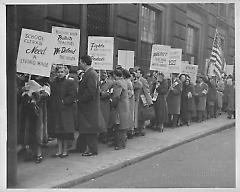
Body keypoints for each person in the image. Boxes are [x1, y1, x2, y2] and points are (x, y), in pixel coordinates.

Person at [71, 55, 104, 156]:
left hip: (89, 107)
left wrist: (80, 99)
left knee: (90, 129)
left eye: (81, 62)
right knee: (84, 128)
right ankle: (80, 147)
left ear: (84, 63)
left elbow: (91, 91)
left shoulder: (91, 74)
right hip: (87, 106)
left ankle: (92, 150)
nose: (80, 64)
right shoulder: (89, 73)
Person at [18, 75, 50, 163]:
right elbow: (19, 96)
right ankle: (32, 153)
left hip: (38, 111)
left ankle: (39, 154)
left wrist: (35, 94)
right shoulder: (27, 82)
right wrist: (23, 90)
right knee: (29, 131)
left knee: (37, 132)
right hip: (27, 110)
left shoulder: (45, 84)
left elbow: (46, 95)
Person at [48, 65, 77, 158]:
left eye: (61, 72)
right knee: (58, 131)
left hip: (65, 110)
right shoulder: (54, 82)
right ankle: (59, 150)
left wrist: (65, 101)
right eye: (58, 72)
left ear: (65, 73)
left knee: (65, 131)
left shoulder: (69, 82)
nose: (60, 74)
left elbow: (72, 95)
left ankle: (65, 150)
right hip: (56, 110)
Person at [111, 69, 130, 150]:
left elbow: (116, 96)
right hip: (125, 105)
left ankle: (119, 144)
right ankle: (123, 143)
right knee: (123, 126)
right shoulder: (124, 81)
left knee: (119, 125)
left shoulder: (117, 82)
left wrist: (112, 104)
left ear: (115, 75)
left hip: (120, 106)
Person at [134, 68, 153, 136]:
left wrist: (149, 101)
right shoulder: (135, 80)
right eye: (136, 72)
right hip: (136, 99)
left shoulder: (143, 80)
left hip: (142, 100)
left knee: (141, 115)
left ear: (141, 74)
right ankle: (137, 129)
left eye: (138, 72)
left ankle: (141, 129)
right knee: (137, 115)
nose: (137, 73)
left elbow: (146, 91)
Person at [122, 69, 135, 139]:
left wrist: (125, 96)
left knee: (129, 116)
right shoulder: (128, 81)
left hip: (128, 101)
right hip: (129, 100)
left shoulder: (127, 82)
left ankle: (129, 131)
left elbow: (130, 92)